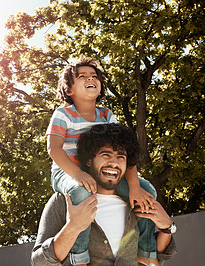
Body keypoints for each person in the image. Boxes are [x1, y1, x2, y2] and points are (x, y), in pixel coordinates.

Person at [46, 56, 157, 264]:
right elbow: (54, 149)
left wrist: (134, 186)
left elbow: (125, 148)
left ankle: (147, 251)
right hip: (67, 171)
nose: (90, 78)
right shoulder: (64, 114)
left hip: (100, 171)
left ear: (100, 87)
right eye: (82, 76)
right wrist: (77, 174)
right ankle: (79, 257)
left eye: (94, 76)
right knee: (82, 192)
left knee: (148, 192)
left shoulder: (106, 115)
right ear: (69, 90)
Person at [32, 123, 177, 265]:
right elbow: (39, 262)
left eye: (121, 157)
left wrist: (167, 228)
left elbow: (154, 260)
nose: (114, 163)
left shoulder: (137, 201)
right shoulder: (65, 200)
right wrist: (73, 227)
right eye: (106, 154)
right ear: (89, 161)